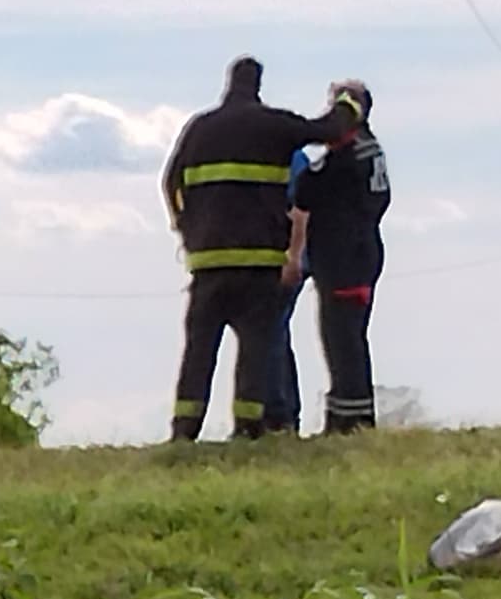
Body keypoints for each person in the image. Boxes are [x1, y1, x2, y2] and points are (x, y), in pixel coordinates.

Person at [160, 58, 341, 442]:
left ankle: (184, 429)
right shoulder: (274, 126)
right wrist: (350, 103)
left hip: (208, 262)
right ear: (258, 85)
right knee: (256, 350)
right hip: (259, 262)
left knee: (199, 351)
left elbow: (170, 181)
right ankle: (248, 427)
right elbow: (327, 130)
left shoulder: (200, 128)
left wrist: (185, 227)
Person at [291, 81, 394, 435]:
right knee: (351, 337)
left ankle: (347, 422)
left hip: (342, 256)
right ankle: (355, 416)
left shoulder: (347, 154)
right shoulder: (371, 148)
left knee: (341, 339)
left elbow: (306, 189)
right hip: (362, 250)